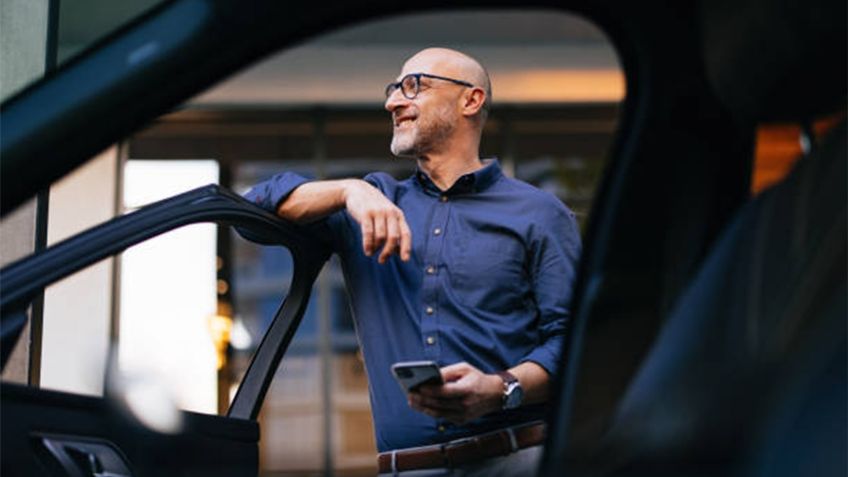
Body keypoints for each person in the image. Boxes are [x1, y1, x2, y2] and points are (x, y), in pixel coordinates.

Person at [245, 47, 581, 476]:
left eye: (413, 86)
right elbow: (253, 212)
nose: (393, 102)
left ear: (470, 100)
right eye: (393, 90)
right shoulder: (368, 206)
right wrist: (350, 190)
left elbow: (574, 346)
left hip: (518, 462)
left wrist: (499, 389)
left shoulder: (540, 214)